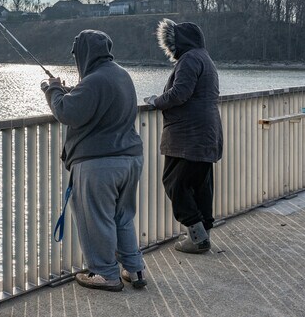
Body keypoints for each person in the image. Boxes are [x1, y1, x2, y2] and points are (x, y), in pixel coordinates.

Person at [41, 29, 147, 292]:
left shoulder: (95, 80)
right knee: (122, 217)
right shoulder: (121, 75)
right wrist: (70, 90)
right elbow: (94, 103)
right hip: (130, 159)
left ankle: (104, 273)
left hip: (99, 164)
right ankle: (134, 269)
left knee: (95, 219)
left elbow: (67, 111)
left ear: (84, 54)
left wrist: (53, 90)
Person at [144, 18, 223, 254]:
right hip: (206, 132)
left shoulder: (189, 59)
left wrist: (156, 101)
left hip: (188, 135)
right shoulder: (205, 58)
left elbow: (180, 93)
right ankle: (203, 233)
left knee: (174, 183)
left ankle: (197, 237)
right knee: (200, 184)